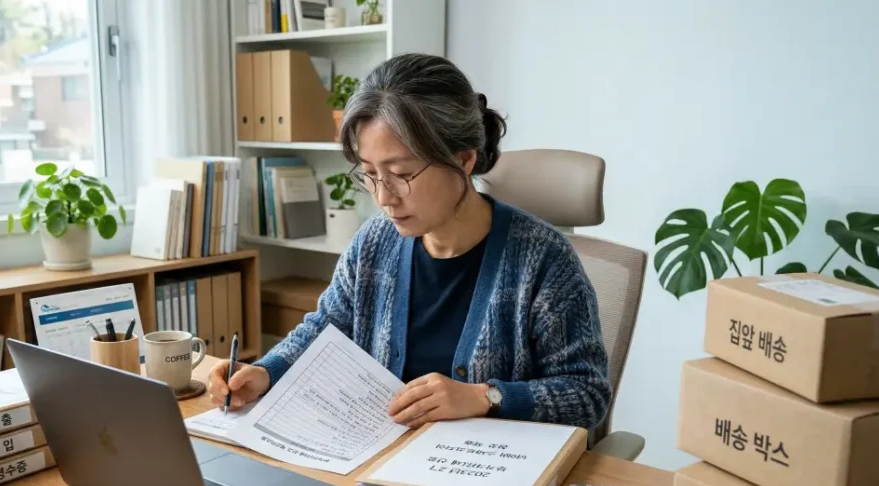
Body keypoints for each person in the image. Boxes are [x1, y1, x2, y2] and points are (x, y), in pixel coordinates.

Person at [209, 53, 611, 430]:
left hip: (484, 484)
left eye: (400, 174)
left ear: (463, 160)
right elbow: (326, 329)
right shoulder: (373, 244)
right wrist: (265, 371)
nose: (384, 197)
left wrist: (483, 397)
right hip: (382, 464)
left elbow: (588, 396)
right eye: (369, 173)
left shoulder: (543, 260)